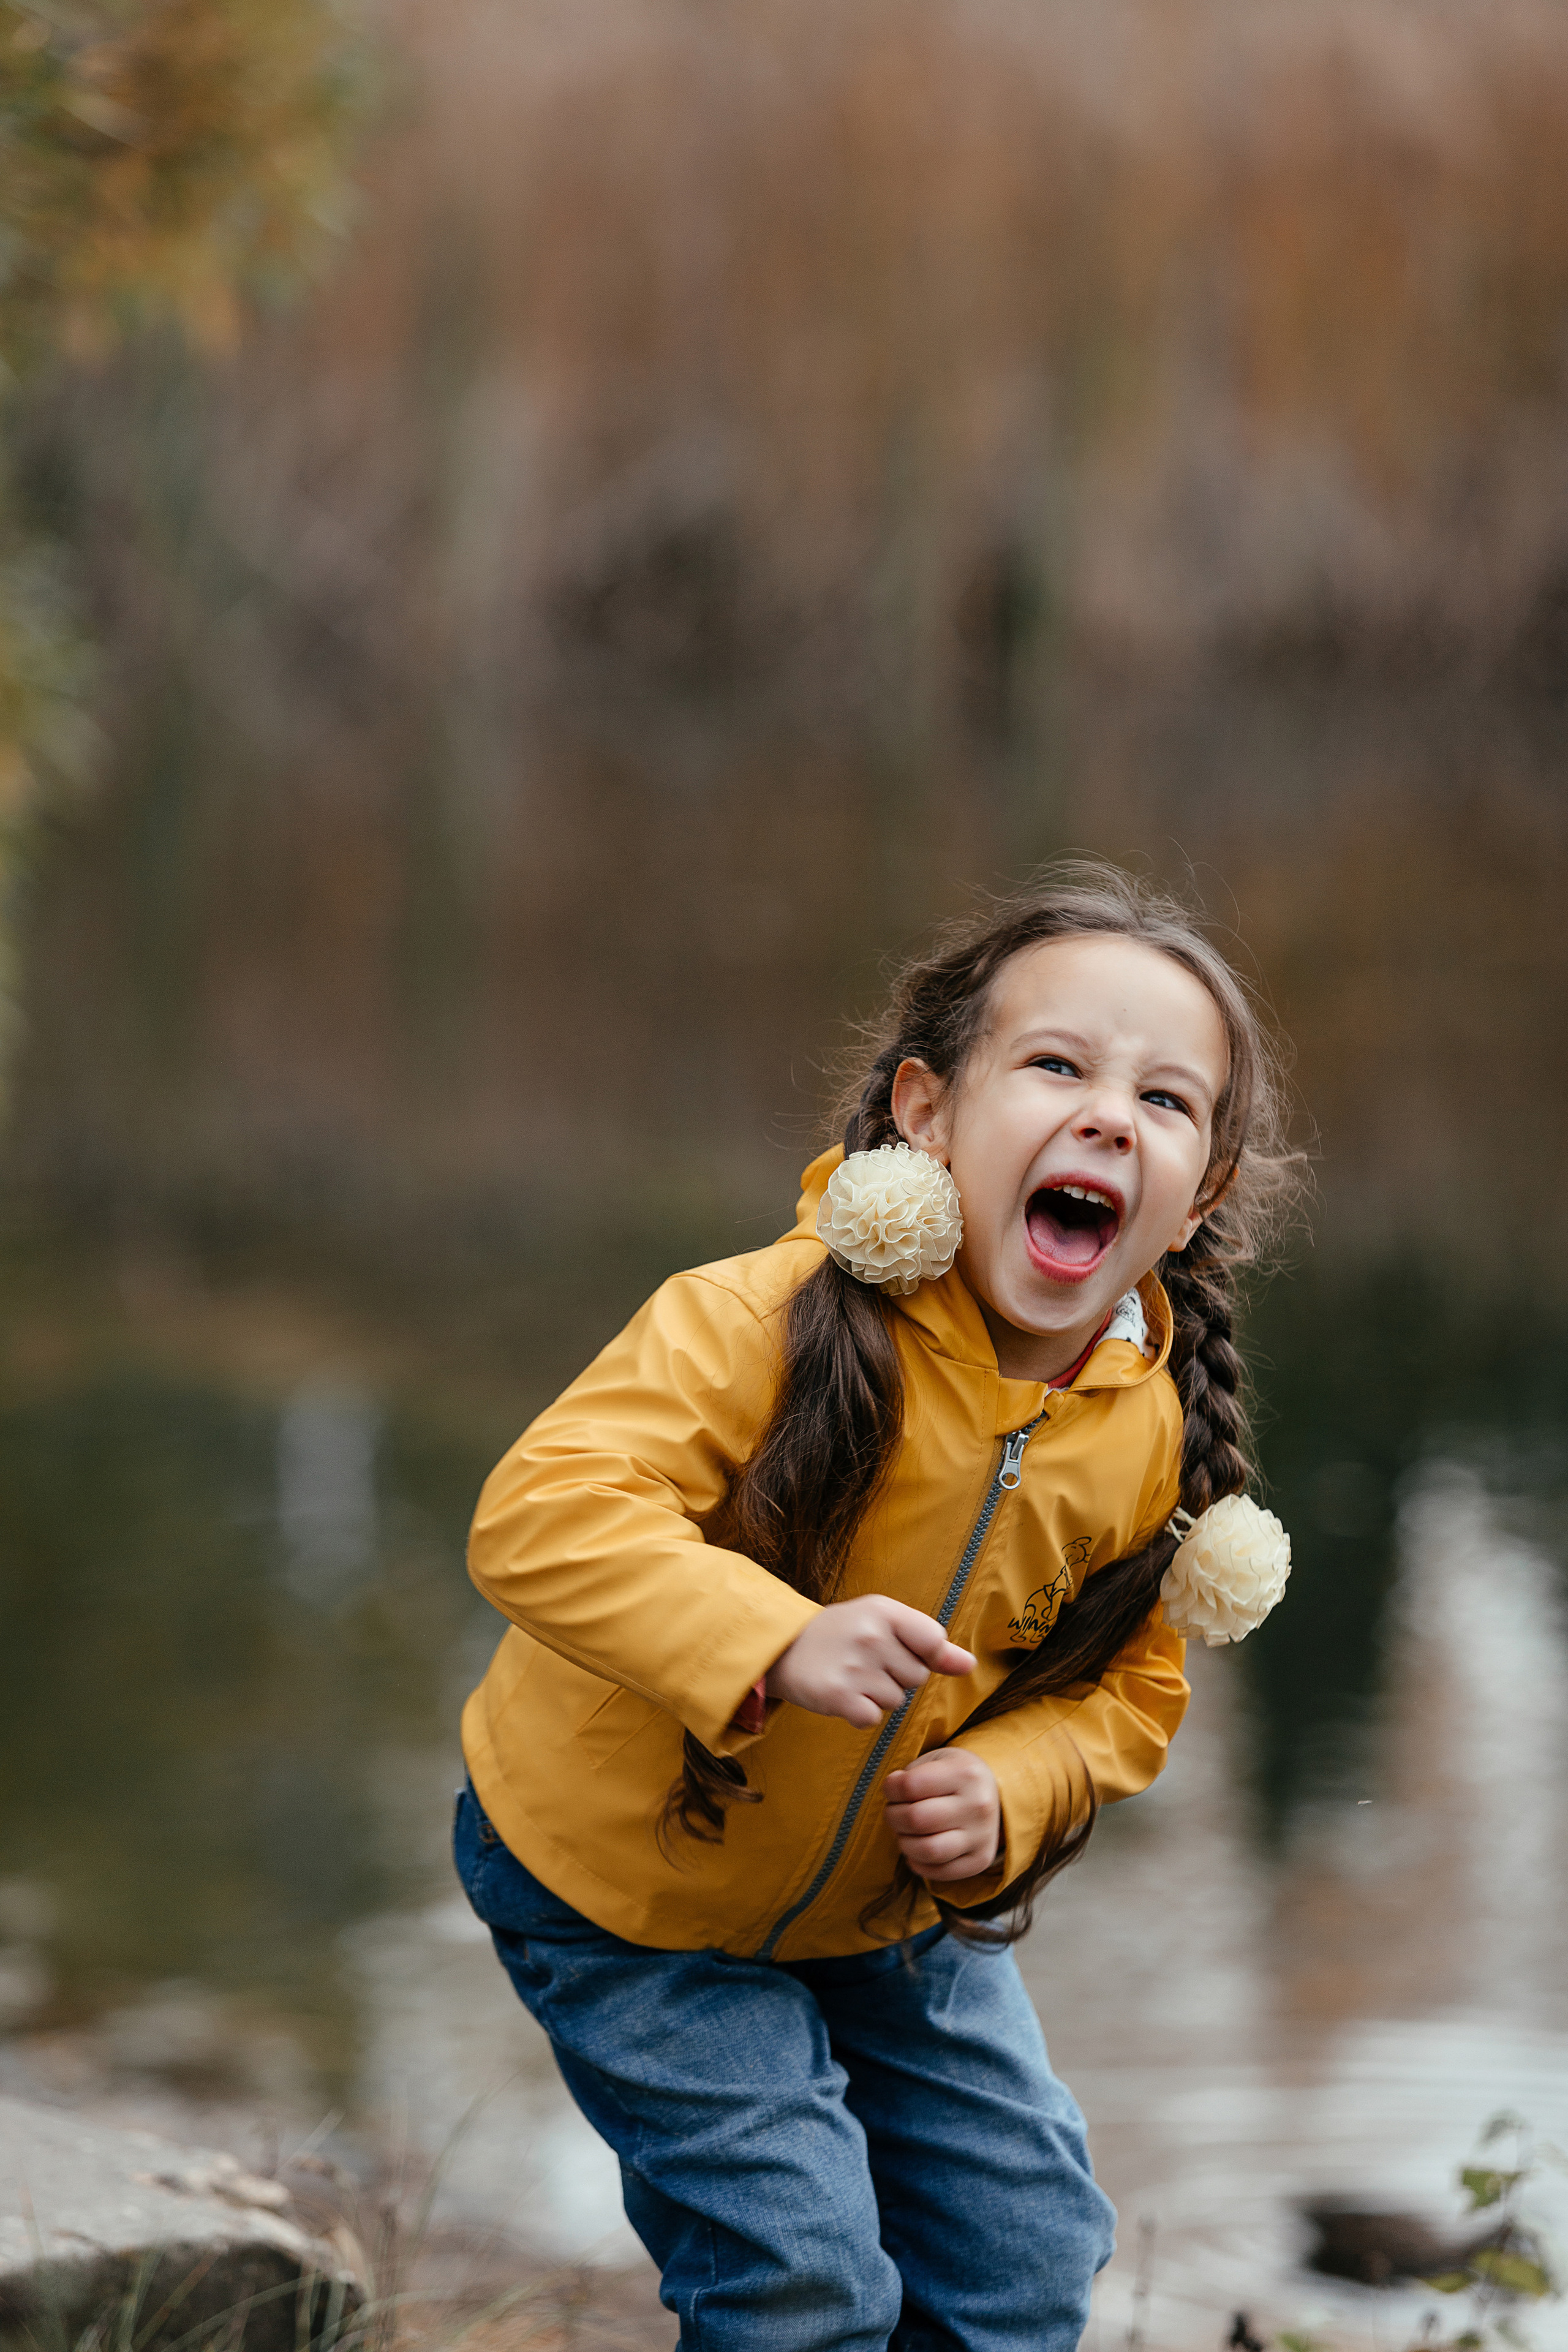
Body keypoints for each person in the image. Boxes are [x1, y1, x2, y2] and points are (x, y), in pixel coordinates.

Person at [453, 863, 1301, 2351]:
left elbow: (1132, 1694)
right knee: (802, 2280)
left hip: (887, 1913)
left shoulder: (1146, 1432)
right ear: (924, 1113)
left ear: (1201, 1193)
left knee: (1028, 2257)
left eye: (1166, 1102)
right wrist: (767, 1633)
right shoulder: (757, 1322)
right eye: (1055, 1066)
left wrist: (1014, 1777)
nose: (1110, 1113)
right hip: (625, 1889)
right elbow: (537, 1516)